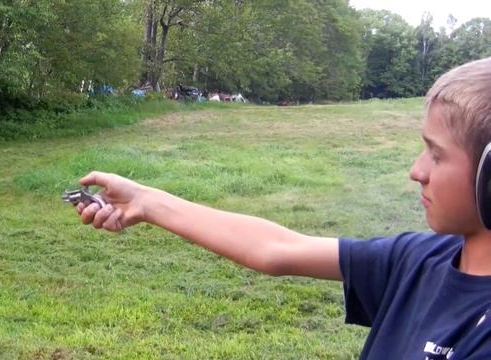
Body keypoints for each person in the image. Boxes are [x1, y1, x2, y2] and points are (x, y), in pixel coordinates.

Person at [73, 56, 491, 359]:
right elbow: (277, 249)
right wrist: (146, 201)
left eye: (436, 155)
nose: (416, 171)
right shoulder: (419, 259)